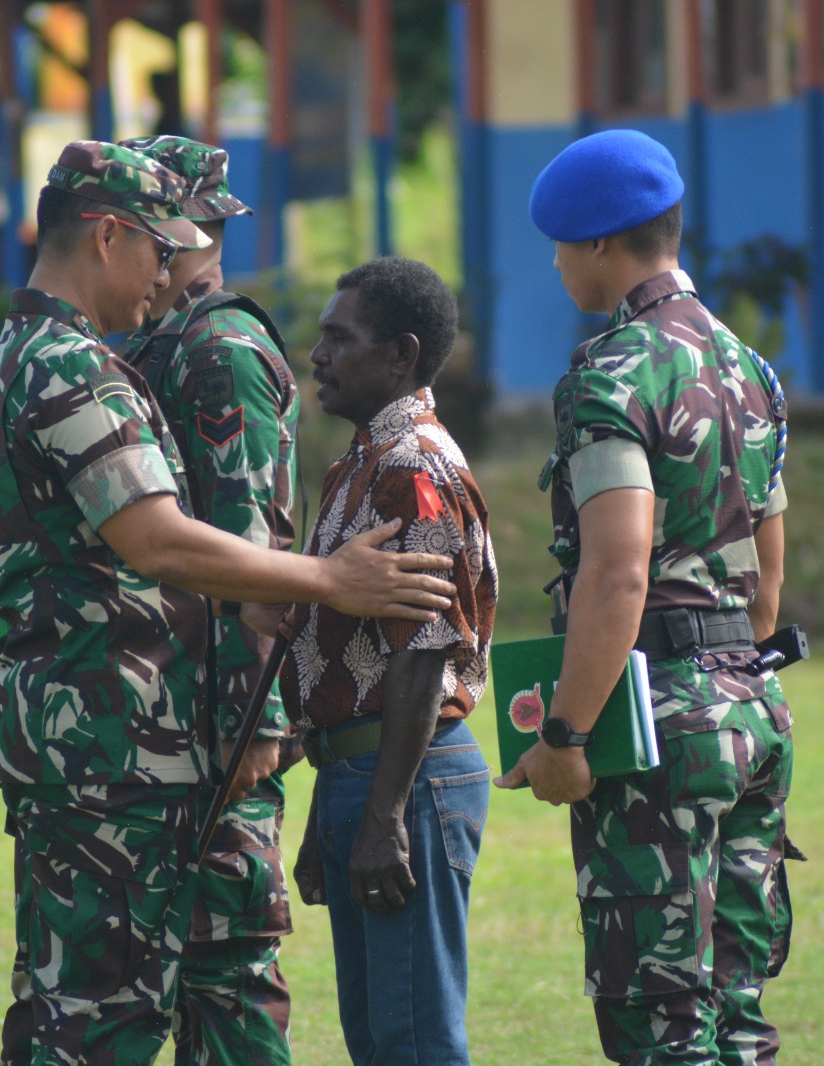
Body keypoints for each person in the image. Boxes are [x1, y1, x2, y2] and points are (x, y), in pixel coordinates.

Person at [0, 141, 457, 1066]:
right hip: (121, 750)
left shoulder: (6, 361)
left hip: (83, 738)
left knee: (100, 1002)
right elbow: (159, 540)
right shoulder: (72, 367)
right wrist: (327, 580)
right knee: (107, 1020)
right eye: (158, 248)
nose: (170, 273)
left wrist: (252, 615)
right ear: (107, 237)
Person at [495, 129, 797, 1066]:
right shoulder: (750, 370)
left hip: (658, 725)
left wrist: (565, 735)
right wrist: (729, 675)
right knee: (735, 1011)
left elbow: (618, 571)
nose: (555, 265)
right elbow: (767, 578)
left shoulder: (610, 374)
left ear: (597, 243)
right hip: (752, 705)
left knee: (659, 1023)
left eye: (559, 246)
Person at [283, 257, 499, 1066]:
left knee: (412, 1040)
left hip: (405, 776)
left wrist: (382, 816)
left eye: (340, 338)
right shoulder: (364, 461)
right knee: (379, 1039)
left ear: (401, 355)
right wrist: (331, 806)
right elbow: (355, 660)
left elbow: (423, 651)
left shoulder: (411, 464)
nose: (318, 355)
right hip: (366, 772)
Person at [120, 134, 299, 1066]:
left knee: (228, 971)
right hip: (173, 706)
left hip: (223, 714)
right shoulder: (164, 341)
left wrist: (256, 722)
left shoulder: (218, 349)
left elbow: (251, 548)